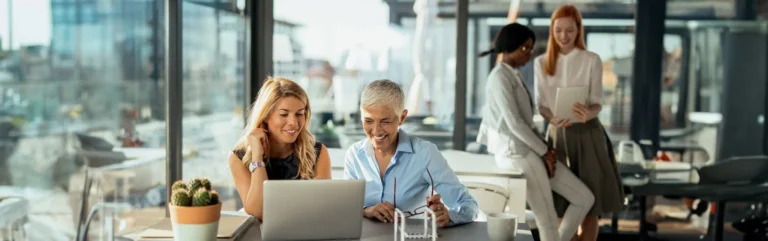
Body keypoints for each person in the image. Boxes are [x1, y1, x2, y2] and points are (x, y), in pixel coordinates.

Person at [477, 22, 594, 241]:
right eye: (527, 48)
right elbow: (514, 123)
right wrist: (544, 151)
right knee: (547, 220)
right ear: (515, 46)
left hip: (531, 150)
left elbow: (524, 122)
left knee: (584, 198)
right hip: (518, 153)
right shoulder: (499, 77)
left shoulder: (513, 74)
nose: (530, 54)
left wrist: (546, 149)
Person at [534, 5, 625, 241]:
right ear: (552, 31)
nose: (564, 36)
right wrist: (550, 117)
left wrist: (588, 113)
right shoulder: (541, 62)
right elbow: (541, 105)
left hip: (588, 134)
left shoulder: (592, 60)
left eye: (570, 30)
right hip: (557, 135)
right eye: (558, 30)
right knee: (561, 202)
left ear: (578, 31)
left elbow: (597, 103)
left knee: (590, 202)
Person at [343, 79, 478, 228]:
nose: (376, 130)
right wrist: (368, 210)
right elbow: (348, 207)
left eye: (385, 121)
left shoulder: (425, 154)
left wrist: (449, 216)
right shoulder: (354, 154)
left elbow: (469, 206)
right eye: (368, 121)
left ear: (402, 117)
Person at [229, 77, 332, 221]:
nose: (293, 122)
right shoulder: (239, 157)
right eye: (284, 114)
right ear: (265, 116)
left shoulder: (318, 153)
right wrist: (257, 158)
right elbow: (258, 212)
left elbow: (324, 209)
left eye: (299, 113)